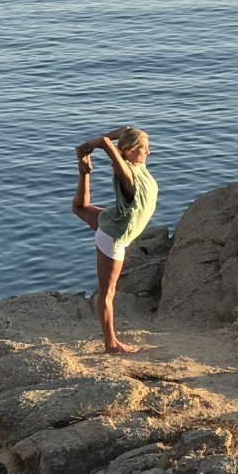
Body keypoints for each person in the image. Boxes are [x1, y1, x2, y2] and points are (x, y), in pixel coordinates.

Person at [70, 125, 158, 353]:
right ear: (129, 151)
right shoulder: (127, 176)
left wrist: (88, 153)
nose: (148, 153)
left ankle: (83, 173)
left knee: (80, 208)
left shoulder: (138, 165)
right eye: (144, 149)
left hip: (114, 218)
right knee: (107, 291)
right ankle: (111, 343)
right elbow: (108, 143)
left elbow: (125, 130)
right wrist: (90, 145)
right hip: (114, 236)